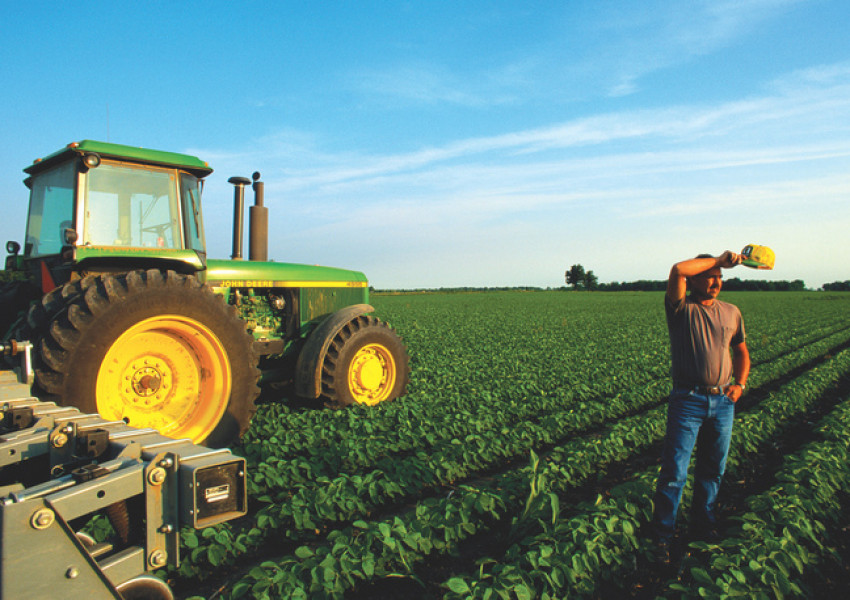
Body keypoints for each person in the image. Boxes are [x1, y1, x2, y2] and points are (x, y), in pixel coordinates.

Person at [651, 251, 751, 562]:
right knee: (674, 473)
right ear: (694, 280)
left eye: (719, 277)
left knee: (712, 470)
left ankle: (702, 528)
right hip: (688, 400)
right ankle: (662, 537)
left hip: (722, 402)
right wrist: (719, 259)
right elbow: (678, 269)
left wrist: (740, 384)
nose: (716, 281)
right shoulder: (681, 309)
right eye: (709, 275)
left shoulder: (732, 312)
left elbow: (742, 352)